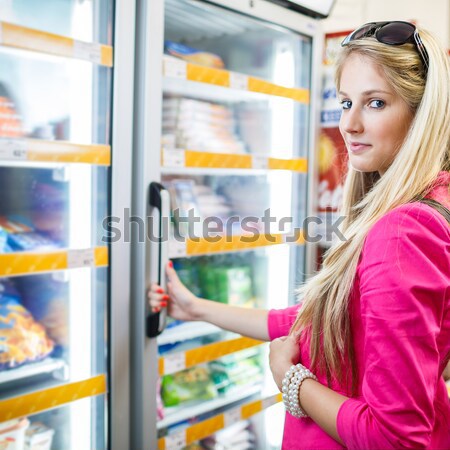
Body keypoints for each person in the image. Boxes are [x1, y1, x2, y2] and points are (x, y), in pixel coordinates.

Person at [149, 21, 450, 449]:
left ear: (421, 115)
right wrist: (196, 308)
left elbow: (395, 439)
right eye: (346, 102)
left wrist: (291, 381)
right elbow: (334, 321)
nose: (350, 124)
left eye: (376, 103)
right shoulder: (432, 201)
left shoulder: (402, 232)